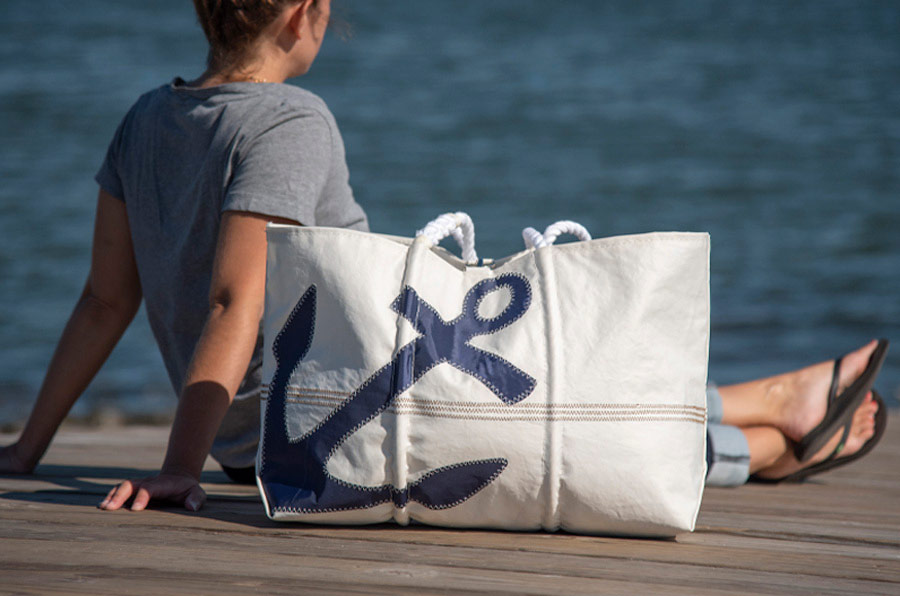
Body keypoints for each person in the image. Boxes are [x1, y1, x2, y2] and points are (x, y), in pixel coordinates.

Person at [0, 1, 889, 510]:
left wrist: (26, 449)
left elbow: (102, 302)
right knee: (568, 417)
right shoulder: (288, 122)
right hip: (345, 422)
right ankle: (776, 431)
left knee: (542, 382)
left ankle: (777, 412)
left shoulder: (143, 120)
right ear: (304, 14)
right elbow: (239, 303)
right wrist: (177, 472)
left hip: (273, 434)